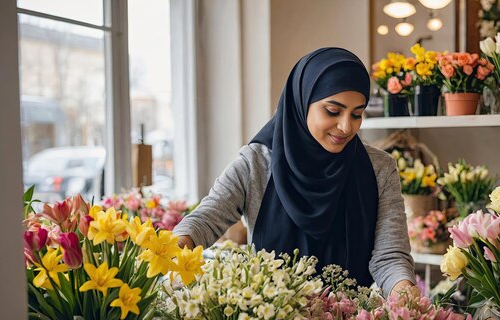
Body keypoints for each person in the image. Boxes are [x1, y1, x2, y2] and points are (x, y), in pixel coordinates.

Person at [175, 47, 415, 295]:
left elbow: (390, 256)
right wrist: (171, 251)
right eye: (332, 111)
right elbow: (205, 220)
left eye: (357, 114)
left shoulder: (379, 168)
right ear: (301, 101)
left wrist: (403, 292)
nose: (346, 126)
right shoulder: (257, 163)